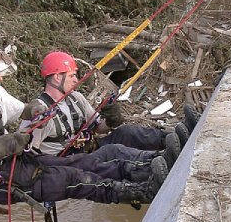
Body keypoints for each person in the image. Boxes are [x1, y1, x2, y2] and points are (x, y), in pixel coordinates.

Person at [0, 41, 169, 208]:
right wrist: (2, 148)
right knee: (72, 178)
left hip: (17, 163)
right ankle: (141, 191)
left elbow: (21, 110)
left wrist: (33, 109)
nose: (0, 79)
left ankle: (151, 166)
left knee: (85, 163)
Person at [20, 50, 199, 164]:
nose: (76, 80)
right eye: (72, 75)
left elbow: (99, 128)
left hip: (88, 149)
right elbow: (28, 153)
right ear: (57, 78)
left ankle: (177, 136)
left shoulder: (76, 99)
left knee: (127, 132)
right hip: (67, 162)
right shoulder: (39, 111)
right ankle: (158, 161)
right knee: (113, 151)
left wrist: (112, 120)